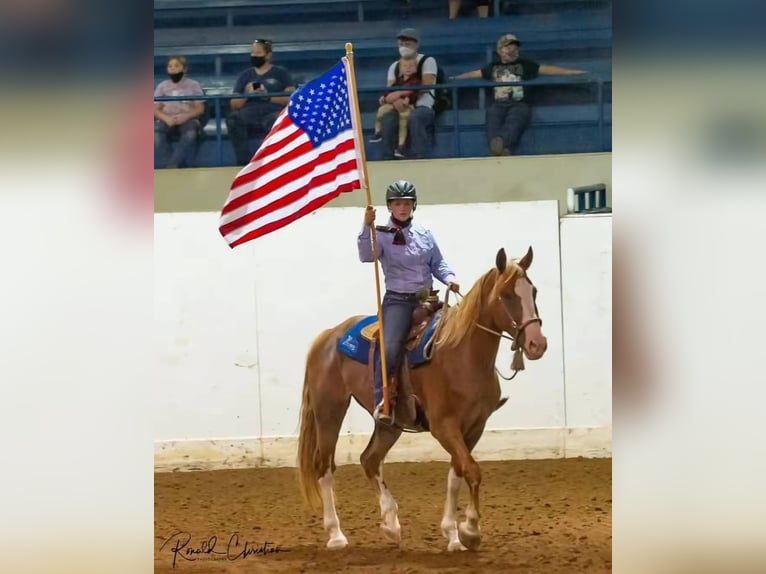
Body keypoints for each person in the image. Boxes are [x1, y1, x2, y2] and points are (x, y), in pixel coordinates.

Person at [357, 180, 460, 424]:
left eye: (406, 203)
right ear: (390, 207)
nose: (402, 208)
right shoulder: (379, 234)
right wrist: (366, 226)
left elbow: (438, 264)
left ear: (413, 205)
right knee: (390, 347)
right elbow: (365, 256)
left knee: (457, 333)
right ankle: (383, 400)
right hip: (398, 302)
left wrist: (450, 278)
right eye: (397, 203)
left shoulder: (425, 234)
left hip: (428, 298)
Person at [452, 33, 587, 156]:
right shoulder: (493, 66)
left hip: (519, 103)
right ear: (499, 50)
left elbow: (546, 69)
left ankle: (501, 143)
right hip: (499, 104)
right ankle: (500, 149)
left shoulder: (525, 64)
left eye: (515, 47)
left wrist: (571, 72)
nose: (512, 50)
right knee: (492, 115)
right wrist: (456, 78)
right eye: (508, 47)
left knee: (517, 117)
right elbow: (476, 73)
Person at [226, 39, 296, 165]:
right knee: (233, 119)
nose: (254, 56)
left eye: (258, 52)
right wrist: (247, 94)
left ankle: (274, 162)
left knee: (278, 121)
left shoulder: (280, 73)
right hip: (249, 112)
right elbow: (234, 103)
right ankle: (244, 163)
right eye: (252, 52)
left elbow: (291, 98)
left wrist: (268, 97)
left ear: (268, 55)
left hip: (273, 111)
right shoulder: (245, 75)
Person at [378, 28, 438, 161]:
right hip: (398, 107)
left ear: (416, 44)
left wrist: (401, 95)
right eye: (401, 44)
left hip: (422, 106)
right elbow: (389, 90)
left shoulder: (427, 61)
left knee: (415, 118)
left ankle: (419, 157)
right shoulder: (394, 66)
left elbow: (426, 85)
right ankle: (388, 158)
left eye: (408, 44)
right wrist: (395, 101)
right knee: (388, 119)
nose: (404, 47)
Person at [154, 56, 205, 168]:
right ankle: (172, 164)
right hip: (167, 119)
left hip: (188, 119)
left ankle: (172, 165)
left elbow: (200, 108)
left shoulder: (193, 85)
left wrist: (186, 116)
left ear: (184, 69)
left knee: (190, 135)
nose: (173, 69)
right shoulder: (162, 86)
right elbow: (155, 109)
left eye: (176, 66)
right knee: (157, 136)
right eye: (170, 66)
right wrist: (166, 118)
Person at [370, 53, 420, 158]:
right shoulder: (398, 81)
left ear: (416, 68)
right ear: (400, 69)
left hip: (407, 106)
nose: (408, 68)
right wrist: (384, 97)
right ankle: (378, 132)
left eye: (411, 66)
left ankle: (401, 146)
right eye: (405, 66)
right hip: (393, 104)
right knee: (382, 111)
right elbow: (389, 92)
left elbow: (413, 93)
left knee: (404, 118)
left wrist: (406, 98)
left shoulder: (416, 81)